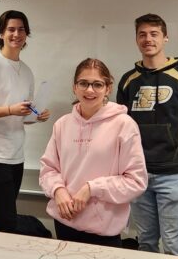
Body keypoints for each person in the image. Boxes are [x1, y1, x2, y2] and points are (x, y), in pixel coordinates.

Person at [117, 13, 178, 259]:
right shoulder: (128, 80)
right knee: (145, 243)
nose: (148, 39)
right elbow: (120, 129)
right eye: (142, 34)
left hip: (173, 176)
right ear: (136, 39)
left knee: (174, 247)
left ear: (165, 38)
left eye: (154, 34)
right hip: (138, 175)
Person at [39, 59, 146, 247]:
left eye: (97, 84)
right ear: (74, 87)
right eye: (83, 83)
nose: (89, 90)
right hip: (64, 222)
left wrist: (91, 188)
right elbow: (48, 169)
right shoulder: (62, 125)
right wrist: (58, 190)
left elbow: (136, 181)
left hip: (103, 231)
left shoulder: (124, 125)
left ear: (108, 88)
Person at [0, 10, 50, 232]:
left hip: (16, 156)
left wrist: (36, 115)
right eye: (11, 29)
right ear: (1, 33)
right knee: (7, 220)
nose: (16, 34)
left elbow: (22, 117)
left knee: (2, 218)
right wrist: (10, 110)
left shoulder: (26, 72)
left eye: (21, 29)